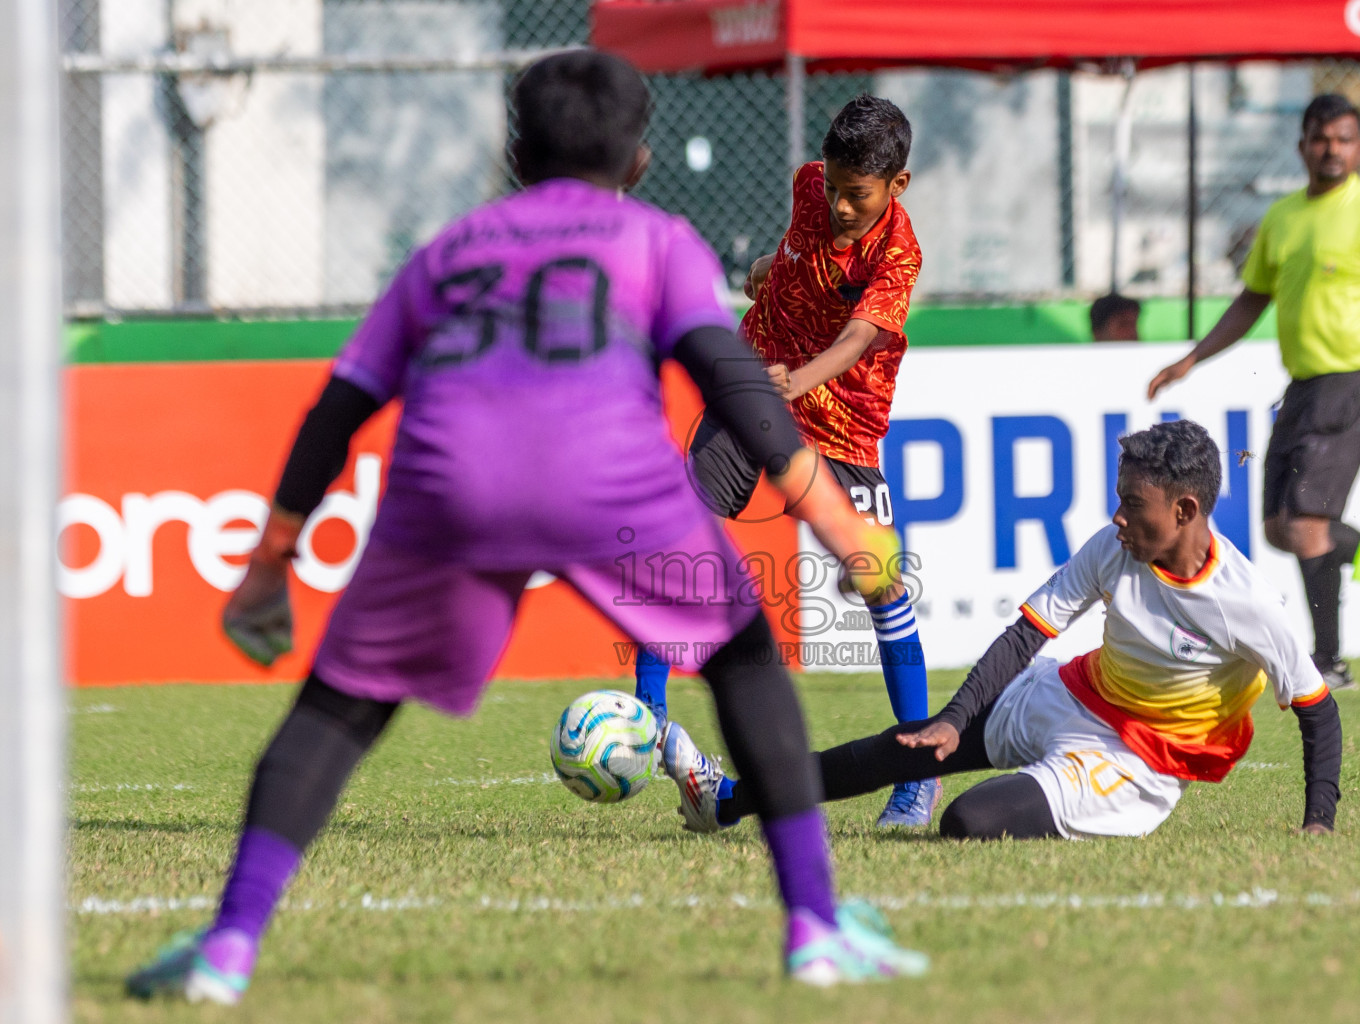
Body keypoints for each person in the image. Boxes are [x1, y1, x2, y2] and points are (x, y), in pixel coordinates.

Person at [124, 52, 927, 1003]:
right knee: (745, 658)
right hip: (605, 477)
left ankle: (226, 950)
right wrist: (836, 526)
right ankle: (815, 931)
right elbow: (736, 383)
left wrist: (269, 563)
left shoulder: (449, 249)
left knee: (336, 711)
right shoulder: (658, 242)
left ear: (513, 154)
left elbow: (338, 406)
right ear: (637, 162)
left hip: (448, 480)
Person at [659, 421, 1343, 844]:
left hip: (1137, 762)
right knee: (907, 747)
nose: (1118, 517)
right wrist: (956, 721)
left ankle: (1037, 785)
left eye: (1133, 505)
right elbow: (1025, 636)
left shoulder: (1248, 603)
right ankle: (725, 803)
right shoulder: (1114, 547)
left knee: (968, 823)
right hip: (1073, 695)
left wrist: (1318, 824)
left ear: (1186, 508)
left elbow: (1319, 712)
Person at [633, 95, 940, 828]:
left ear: (896, 187)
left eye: (856, 195)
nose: (837, 203)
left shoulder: (900, 252)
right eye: (833, 185)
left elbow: (860, 338)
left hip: (842, 425)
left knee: (881, 586)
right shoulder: (811, 185)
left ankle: (917, 778)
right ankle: (646, 720)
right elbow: (803, 252)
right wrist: (771, 271)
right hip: (752, 388)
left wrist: (797, 381)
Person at [1147, 93, 1360, 692]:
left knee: (1305, 524)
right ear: (1303, 145)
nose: (1332, 148)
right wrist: (1192, 359)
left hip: (1353, 380)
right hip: (1302, 386)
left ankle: (1330, 662)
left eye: (1344, 138)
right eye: (1321, 138)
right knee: (1280, 528)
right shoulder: (1283, 218)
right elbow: (1253, 299)